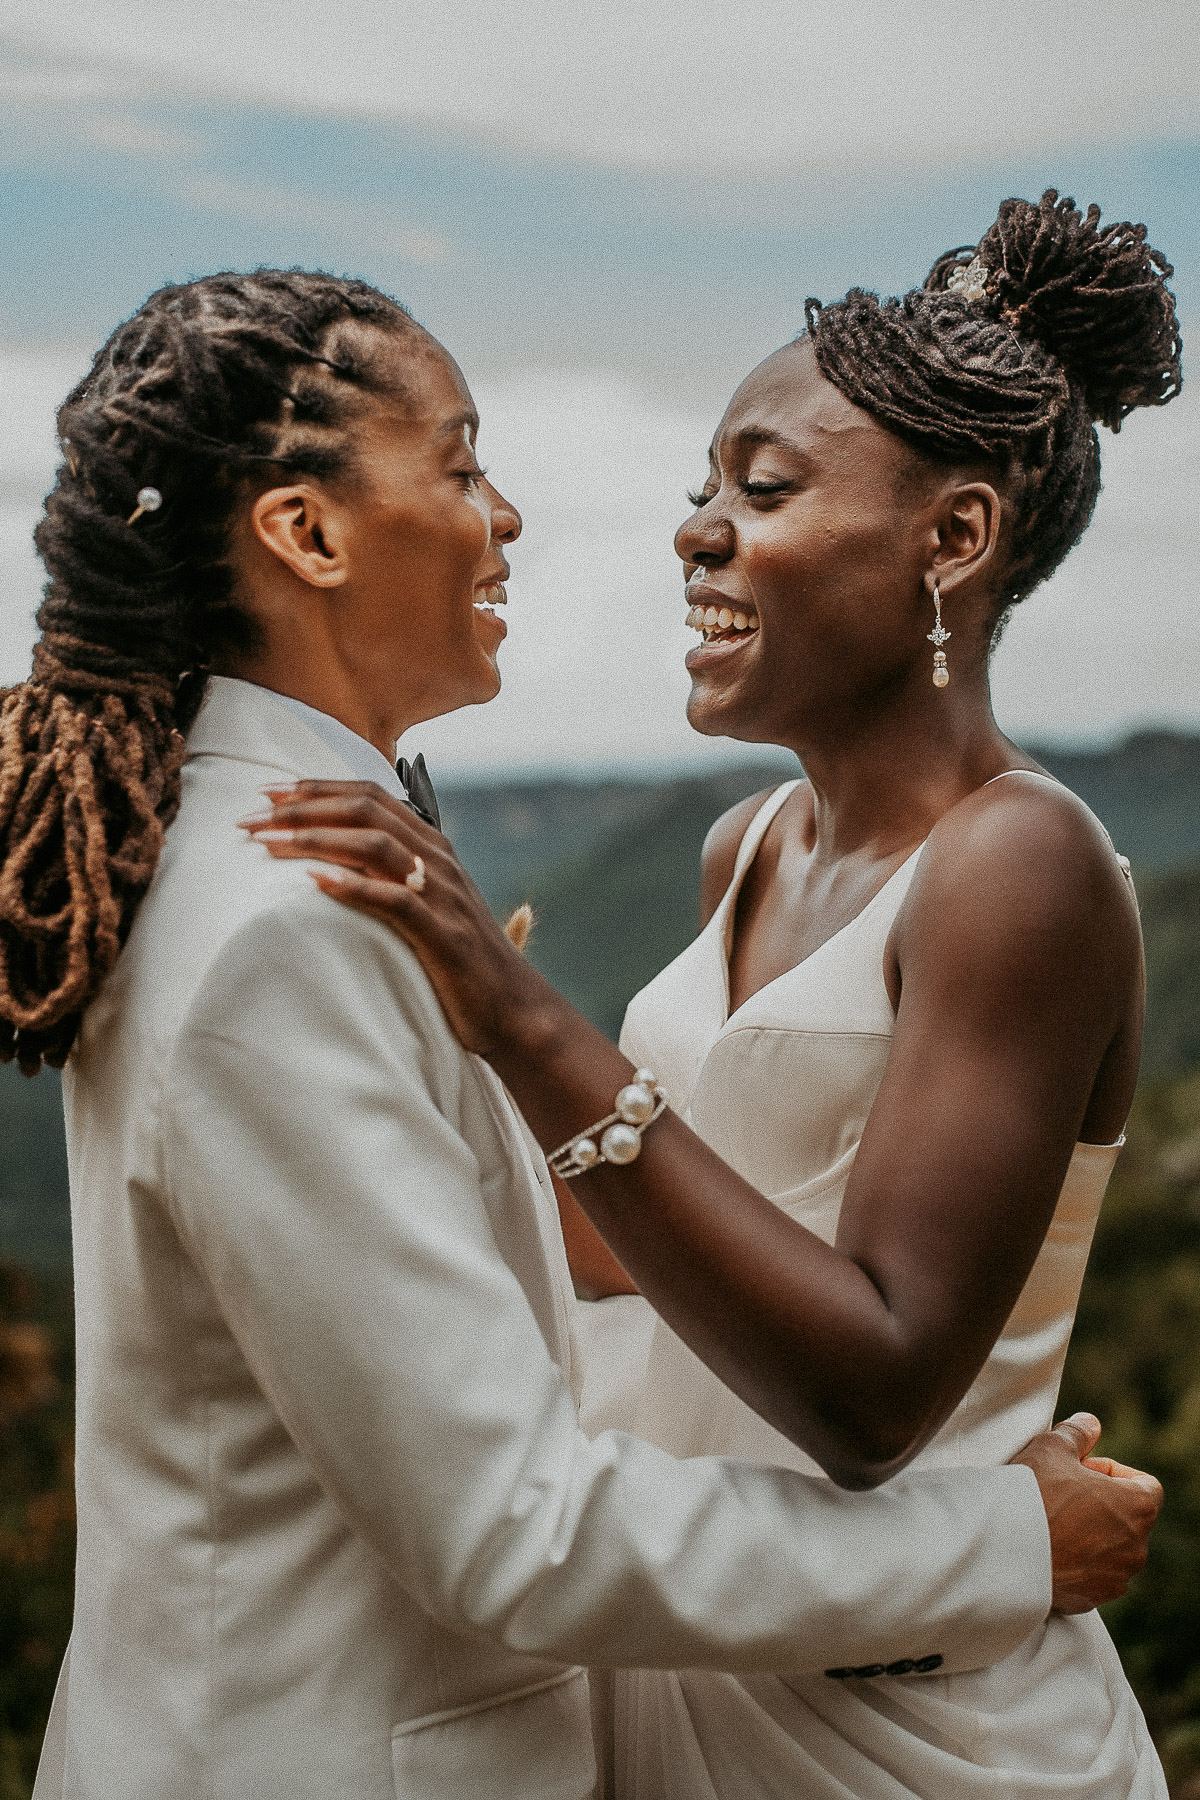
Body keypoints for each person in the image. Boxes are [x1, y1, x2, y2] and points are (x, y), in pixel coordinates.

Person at [0, 268, 1153, 1800]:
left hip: (882, 1718)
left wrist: (511, 1029)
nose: (525, 516)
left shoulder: (282, 866)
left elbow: (681, 1273)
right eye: (464, 463)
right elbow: (514, 1512)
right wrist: (1007, 1539)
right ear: (310, 532)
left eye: (763, 486)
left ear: (953, 542)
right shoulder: (291, 912)